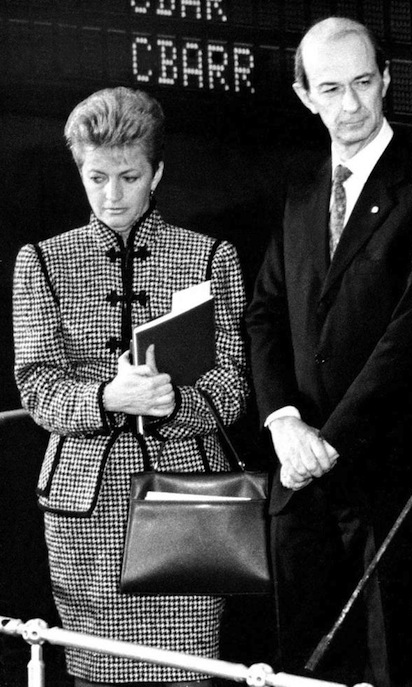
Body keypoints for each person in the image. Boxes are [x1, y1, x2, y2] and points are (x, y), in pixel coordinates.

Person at [244, 17, 412, 687]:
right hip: (303, 482)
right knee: (307, 671)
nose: (351, 105)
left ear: (387, 80)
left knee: (406, 665)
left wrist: (328, 442)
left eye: (364, 82)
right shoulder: (301, 191)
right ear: (304, 95)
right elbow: (265, 312)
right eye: (331, 88)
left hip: (396, 484)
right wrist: (284, 423)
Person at [12, 86, 249, 686]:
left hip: (187, 501)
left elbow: (232, 385)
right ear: (79, 172)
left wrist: (173, 402)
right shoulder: (42, 261)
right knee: (97, 676)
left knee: (187, 673)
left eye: (129, 177)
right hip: (85, 511)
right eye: (96, 178)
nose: (112, 196)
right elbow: (36, 386)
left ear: (157, 173)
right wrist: (106, 398)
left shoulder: (210, 256)